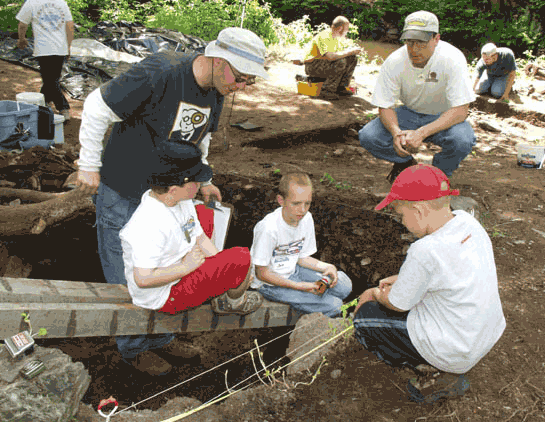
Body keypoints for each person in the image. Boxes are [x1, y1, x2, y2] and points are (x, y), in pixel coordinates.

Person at [74, 27, 269, 375]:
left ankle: (159, 338)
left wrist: (203, 177)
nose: (241, 87)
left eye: (248, 82)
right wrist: (88, 164)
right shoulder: (161, 72)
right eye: (240, 78)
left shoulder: (217, 90)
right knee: (130, 278)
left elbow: (199, 137)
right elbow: (95, 105)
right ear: (218, 60)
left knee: (170, 264)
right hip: (126, 189)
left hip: (168, 196)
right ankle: (133, 347)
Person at [353, 164, 506, 402]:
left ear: (419, 210)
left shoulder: (424, 249)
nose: (402, 222)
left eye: (401, 215)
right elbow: (450, 270)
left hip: (457, 351)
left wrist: (373, 293)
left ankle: (434, 372)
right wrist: (406, 280)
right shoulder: (468, 222)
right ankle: (442, 363)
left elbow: (398, 303)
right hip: (484, 335)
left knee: (366, 318)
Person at [120, 141, 263, 318]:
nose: (201, 184)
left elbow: (200, 237)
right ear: (173, 189)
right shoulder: (149, 225)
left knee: (205, 214)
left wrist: (225, 273)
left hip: (181, 265)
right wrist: (186, 267)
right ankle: (233, 302)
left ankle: (224, 288)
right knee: (242, 257)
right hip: (165, 294)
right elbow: (142, 279)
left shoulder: (180, 199)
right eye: (196, 181)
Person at [358, 11, 476, 183]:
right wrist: (396, 132)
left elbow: (461, 110)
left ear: (436, 39)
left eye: (421, 42)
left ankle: (439, 174)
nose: (414, 49)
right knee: (368, 136)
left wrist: (421, 133)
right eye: (409, 42)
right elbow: (385, 105)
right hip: (409, 113)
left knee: (462, 140)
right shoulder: (394, 61)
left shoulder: (453, 58)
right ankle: (405, 163)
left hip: (444, 116)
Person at [250, 172, 352, 317]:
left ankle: (310, 298)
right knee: (335, 305)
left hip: (294, 270)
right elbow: (262, 274)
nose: (302, 210)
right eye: (296, 203)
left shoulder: (306, 218)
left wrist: (328, 267)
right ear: (281, 200)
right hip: (269, 284)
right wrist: (299, 287)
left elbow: (301, 257)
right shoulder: (268, 228)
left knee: (344, 285)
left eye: (307, 203)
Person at [16, 0, 74, 121]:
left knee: (50, 80)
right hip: (60, 48)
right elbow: (70, 25)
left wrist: (21, 39)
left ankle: (63, 108)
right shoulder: (61, 2)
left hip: (43, 49)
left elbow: (22, 24)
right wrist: (68, 46)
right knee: (51, 79)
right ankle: (43, 103)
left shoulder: (32, 2)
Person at [303, 16, 363, 101]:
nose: (347, 31)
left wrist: (351, 52)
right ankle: (326, 90)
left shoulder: (335, 38)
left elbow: (338, 54)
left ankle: (341, 87)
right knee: (340, 61)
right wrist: (350, 51)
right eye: (347, 29)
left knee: (352, 58)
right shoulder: (325, 36)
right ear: (340, 28)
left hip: (322, 64)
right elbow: (331, 57)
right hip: (312, 66)